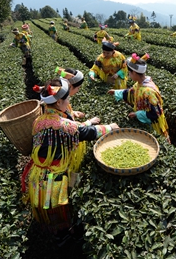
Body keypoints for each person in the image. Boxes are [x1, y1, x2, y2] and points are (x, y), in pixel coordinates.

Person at [24, 77, 119, 246]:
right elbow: (85, 132)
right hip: (54, 178)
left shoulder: (40, 120)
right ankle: (67, 234)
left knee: (50, 209)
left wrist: (88, 121)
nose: (69, 101)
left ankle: (58, 233)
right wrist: (110, 127)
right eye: (67, 98)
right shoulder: (62, 125)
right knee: (61, 207)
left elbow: (74, 128)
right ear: (59, 101)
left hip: (38, 174)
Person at [107, 53, 170, 143]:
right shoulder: (139, 84)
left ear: (134, 73)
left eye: (129, 73)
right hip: (143, 122)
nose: (128, 75)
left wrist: (138, 114)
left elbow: (156, 114)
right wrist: (116, 92)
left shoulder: (149, 91)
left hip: (152, 125)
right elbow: (131, 92)